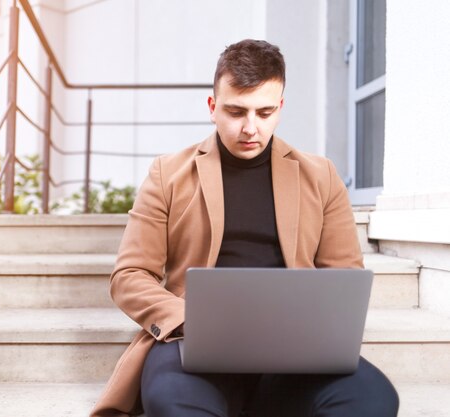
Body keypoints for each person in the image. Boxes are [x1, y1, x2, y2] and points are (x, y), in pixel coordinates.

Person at [90, 39, 399, 417]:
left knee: (374, 398)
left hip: (293, 348)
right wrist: (190, 320)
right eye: (236, 111)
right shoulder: (167, 174)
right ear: (212, 107)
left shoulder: (321, 176)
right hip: (195, 344)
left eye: (265, 112)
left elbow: (344, 277)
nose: (250, 128)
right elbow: (129, 275)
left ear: (280, 108)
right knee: (171, 400)